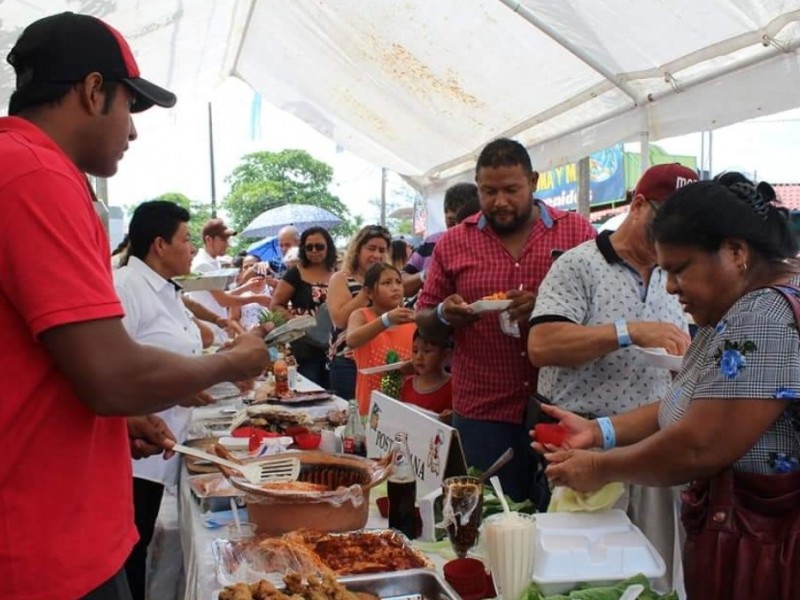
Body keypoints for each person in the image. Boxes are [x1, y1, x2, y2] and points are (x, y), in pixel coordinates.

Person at [0, 12, 269, 600]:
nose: (133, 130)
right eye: (130, 106)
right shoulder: (35, 174)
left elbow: (42, 366)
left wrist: (112, 422)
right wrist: (232, 363)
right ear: (94, 91)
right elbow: (112, 376)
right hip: (42, 545)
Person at [535, 173, 800, 599]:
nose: (671, 286)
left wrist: (600, 467)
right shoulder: (732, 312)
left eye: (680, 270)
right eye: (665, 271)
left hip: (763, 551)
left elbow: (699, 445)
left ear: (736, 252)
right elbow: (686, 402)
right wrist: (601, 432)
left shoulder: (763, 314)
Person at [528, 163, 697, 591]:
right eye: (665, 223)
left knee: (650, 574)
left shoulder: (675, 275)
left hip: (653, 447)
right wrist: (628, 331)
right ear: (638, 206)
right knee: (580, 575)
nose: (673, 238)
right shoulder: (579, 265)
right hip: (580, 441)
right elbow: (542, 344)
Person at [416, 138, 596, 501]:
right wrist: (443, 315)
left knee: (562, 516)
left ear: (534, 181)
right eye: (488, 191)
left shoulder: (576, 233)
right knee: (491, 517)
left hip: (561, 408)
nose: (499, 202)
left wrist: (546, 309)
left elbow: (601, 314)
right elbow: (423, 318)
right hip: (483, 411)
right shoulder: (454, 242)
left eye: (511, 190)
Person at [113, 201, 207, 600]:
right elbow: (113, 370)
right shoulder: (125, 287)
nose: (192, 248)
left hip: (164, 442)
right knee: (129, 554)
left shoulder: (165, 289)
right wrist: (176, 389)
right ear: (159, 244)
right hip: (136, 453)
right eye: (186, 239)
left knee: (142, 543)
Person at [327, 225, 392, 400]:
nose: (377, 255)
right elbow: (340, 320)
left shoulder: (389, 281)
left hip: (381, 360)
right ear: (358, 250)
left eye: (382, 250)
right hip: (348, 363)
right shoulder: (340, 278)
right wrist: (366, 291)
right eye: (371, 248)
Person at [271, 227, 337, 387]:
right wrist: (295, 321)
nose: (314, 251)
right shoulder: (296, 273)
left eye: (319, 246)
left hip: (335, 345)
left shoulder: (339, 273)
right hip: (305, 347)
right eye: (309, 247)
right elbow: (275, 304)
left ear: (328, 247)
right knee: (310, 390)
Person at [347, 263, 416, 414]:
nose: (395, 287)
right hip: (370, 406)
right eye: (386, 283)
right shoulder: (361, 315)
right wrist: (386, 320)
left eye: (398, 282)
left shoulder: (411, 320)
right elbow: (352, 340)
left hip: (405, 406)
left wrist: (415, 365)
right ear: (369, 292)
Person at [187, 219, 271, 330]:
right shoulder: (203, 266)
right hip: (209, 329)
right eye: (223, 239)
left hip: (216, 328)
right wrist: (255, 298)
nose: (227, 244)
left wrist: (246, 287)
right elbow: (223, 300)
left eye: (227, 239)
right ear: (208, 239)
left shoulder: (213, 263)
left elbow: (220, 295)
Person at [402, 183, 478, 297]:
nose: (457, 229)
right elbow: (401, 284)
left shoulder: (485, 246)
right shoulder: (431, 243)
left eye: (464, 223)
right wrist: (426, 275)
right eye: (451, 222)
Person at [401, 329, 453, 415]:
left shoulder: (453, 387)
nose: (419, 357)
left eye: (427, 351)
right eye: (415, 351)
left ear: (446, 355)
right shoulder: (407, 384)